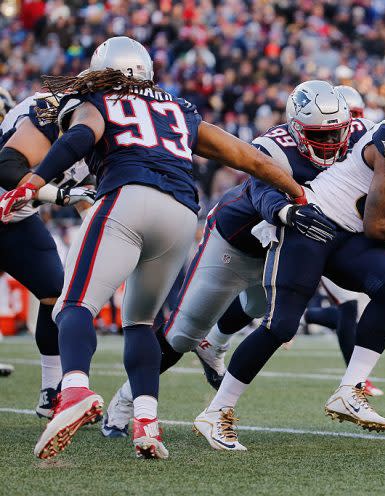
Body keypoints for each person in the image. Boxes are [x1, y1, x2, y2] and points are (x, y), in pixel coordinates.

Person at [0, 36, 304, 460]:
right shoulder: (176, 106)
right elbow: (244, 155)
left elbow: (81, 136)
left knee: (72, 304)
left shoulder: (96, 99)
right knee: (141, 323)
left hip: (126, 199)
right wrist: (294, 190)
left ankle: (73, 392)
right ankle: (146, 420)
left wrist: (33, 183)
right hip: (181, 215)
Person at [181, 101, 385, 450]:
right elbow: (378, 224)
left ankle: (349, 390)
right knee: (280, 325)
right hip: (314, 220)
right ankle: (216, 411)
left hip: (349, 234)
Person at [103, 80, 373, 440]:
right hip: (233, 243)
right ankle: (123, 404)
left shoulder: (358, 139)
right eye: (317, 135)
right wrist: (286, 212)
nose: (329, 144)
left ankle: (214, 343)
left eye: (335, 133)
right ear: (295, 128)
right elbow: (261, 189)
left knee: (262, 308)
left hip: (278, 251)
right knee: (181, 335)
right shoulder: (275, 146)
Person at [0, 86, 95, 418]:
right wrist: (62, 196)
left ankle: (50, 391)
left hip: (17, 219)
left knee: (55, 293)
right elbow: (7, 168)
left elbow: (85, 196)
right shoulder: (53, 110)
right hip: (10, 203)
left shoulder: (107, 132)